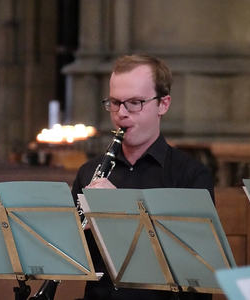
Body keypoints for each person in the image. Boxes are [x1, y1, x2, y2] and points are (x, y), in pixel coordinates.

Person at [72, 54, 214, 300]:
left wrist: (119, 211)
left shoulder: (191, 176)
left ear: (163, 104)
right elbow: (71, 256)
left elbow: (195, 271)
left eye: (135, 102)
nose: (121, 114)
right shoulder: (89, 172)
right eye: (115, 102)